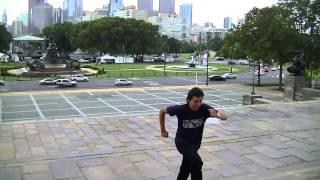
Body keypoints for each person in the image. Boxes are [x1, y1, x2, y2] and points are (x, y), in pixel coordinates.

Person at [159, 87, 227, 180]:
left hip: (195, 144)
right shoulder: (180, 109)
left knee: (186, 167)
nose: (198, 104)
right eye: (195, 101)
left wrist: (217, 115)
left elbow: (225, 117)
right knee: (197, 163)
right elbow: (162, 111)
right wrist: (163, 130)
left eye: (200, 101)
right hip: (182, 142)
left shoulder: (204, 108)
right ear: (188, 100)